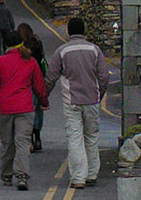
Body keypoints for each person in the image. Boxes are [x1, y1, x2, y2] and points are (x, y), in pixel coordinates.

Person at [45, 16, 109, 189]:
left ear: (69, 31)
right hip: (92, 100)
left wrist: (44, 98)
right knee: (91, 136)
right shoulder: (95, 50)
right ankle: (92, 173)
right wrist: (99, 94)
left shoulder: (62, 51)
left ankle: (78, 177)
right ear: (84, 31)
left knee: (75, 138)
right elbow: (104, 77)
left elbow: (51, 77)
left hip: (72, 101)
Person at [0, 29, 49, 191]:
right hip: (25, 107)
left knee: (7, 143)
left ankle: (7, 174)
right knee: (22, 142)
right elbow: (39, 85)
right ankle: (22, 175)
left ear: (6, 44)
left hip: (4, 108)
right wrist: (43, 101)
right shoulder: (30, 61)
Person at [17, 22, 46, 152]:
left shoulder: (20, 48)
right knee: (38, 110)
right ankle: (38, 138)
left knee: (27, 111)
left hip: (25, 81)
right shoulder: (37, 43)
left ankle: (30, 141)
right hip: (37, 79)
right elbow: (41, 60)